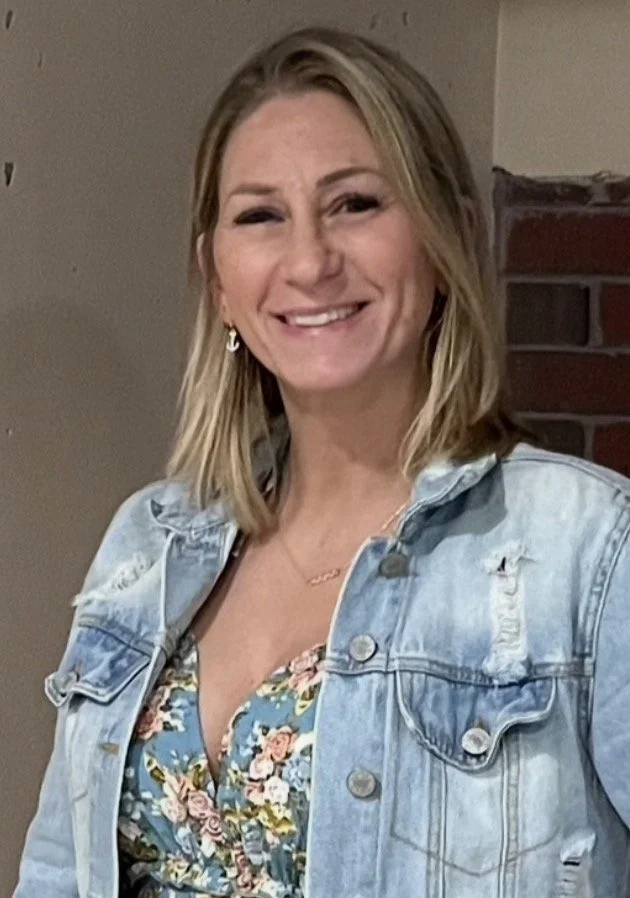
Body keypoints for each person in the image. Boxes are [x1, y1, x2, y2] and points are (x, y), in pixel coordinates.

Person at [13, 24, 630, 898]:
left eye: (356, 204)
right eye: (261, 216)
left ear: (448, 239)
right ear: (219, 280)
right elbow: (57, 873)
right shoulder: (147, 543)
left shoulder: (589, 549)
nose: (309, 261)